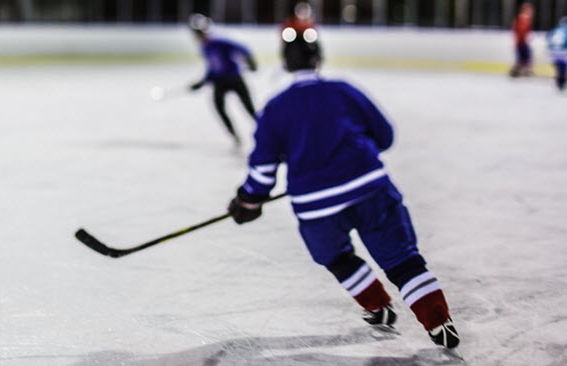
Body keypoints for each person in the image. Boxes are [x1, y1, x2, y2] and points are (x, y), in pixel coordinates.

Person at [225, 28, 461, 350]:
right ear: (318, 57)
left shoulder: (276, 108)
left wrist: (247, 200)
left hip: (316, 208)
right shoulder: (343, 91)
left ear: (285, 63)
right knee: (403, 260)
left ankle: (377, 306)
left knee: (336, 257)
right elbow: (385, 136)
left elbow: (263, 172)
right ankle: (439, 322)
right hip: (370, 191)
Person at [188, 14, 258, 147]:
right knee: (219, 106)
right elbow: (212, 68)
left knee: (249, 108)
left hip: (234, 78)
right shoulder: (205, 47)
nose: (198, 37)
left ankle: (267, 131)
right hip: (220, 81)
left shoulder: (219, 41)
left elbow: (243, 49)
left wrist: (251, 61)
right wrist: (202, 82)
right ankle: (234, 134)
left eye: (200, 33)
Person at [510, 2, 535, 78]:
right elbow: (520, 31)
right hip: (521, 42)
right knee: (524, 57)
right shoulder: (523, 18)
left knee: (524, 57)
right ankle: (520, 70)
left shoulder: (523, 18)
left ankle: (520, 70)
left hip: (521, 42)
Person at [547, 17, 567, 91]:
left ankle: (559, 80)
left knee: (559, 66)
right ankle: (561, 80)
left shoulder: (556, 29)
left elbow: (548, 37)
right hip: (563, 49)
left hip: (553, 50)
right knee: (564, 66)